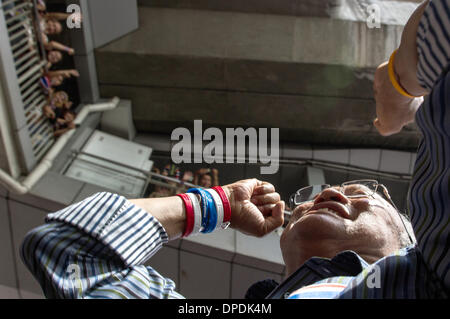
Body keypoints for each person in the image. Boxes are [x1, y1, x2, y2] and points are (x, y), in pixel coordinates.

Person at [20, 0, 449, 299]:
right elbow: (65, 245)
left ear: (410, 239)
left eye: (362, 195)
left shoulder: (432, 276)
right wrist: (218, 204)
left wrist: (397, 84)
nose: (328, 194)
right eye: (304, 203)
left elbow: (70, 248)